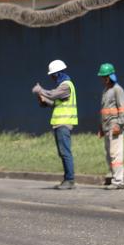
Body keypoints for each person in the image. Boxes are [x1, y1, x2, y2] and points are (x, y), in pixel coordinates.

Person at [32, 59, 78, 190]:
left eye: (52, 75)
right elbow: (55, 102)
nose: (51, 77)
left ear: (57, 73)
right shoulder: (62, 86)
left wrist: (40, 90)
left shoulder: (66, 86)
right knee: (63, 152)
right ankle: (67, 179)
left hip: (64, 123)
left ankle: (70, 180)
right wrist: (44, 101)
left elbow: (52, 94)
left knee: (65, 152)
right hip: (59, 124)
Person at [97, 63, 124, 190]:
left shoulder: (117, 89)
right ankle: (114, 178)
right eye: (102, 77)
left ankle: (118, 181)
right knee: (109, 154)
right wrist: (101, 127)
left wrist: (119, 125)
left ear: (110, 76)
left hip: (115, 126)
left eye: (105, 76)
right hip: (107, 127)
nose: (103, 79)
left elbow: (122, 108)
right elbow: (104, 110)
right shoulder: (105, 91)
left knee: (116, 154)